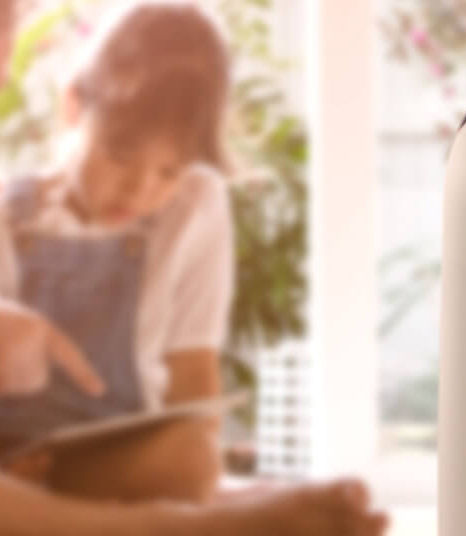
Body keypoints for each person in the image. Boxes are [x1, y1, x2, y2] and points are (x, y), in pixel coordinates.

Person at [0, 2, 386, 534]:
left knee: (188, 458)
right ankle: (194, 525)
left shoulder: (192, 205)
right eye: (118, 154)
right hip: (15, 454)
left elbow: (193, 372)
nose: (139, 190)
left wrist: (205, 465)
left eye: (168, 170)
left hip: (107, 453)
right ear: (73, 106)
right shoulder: (9, 214)